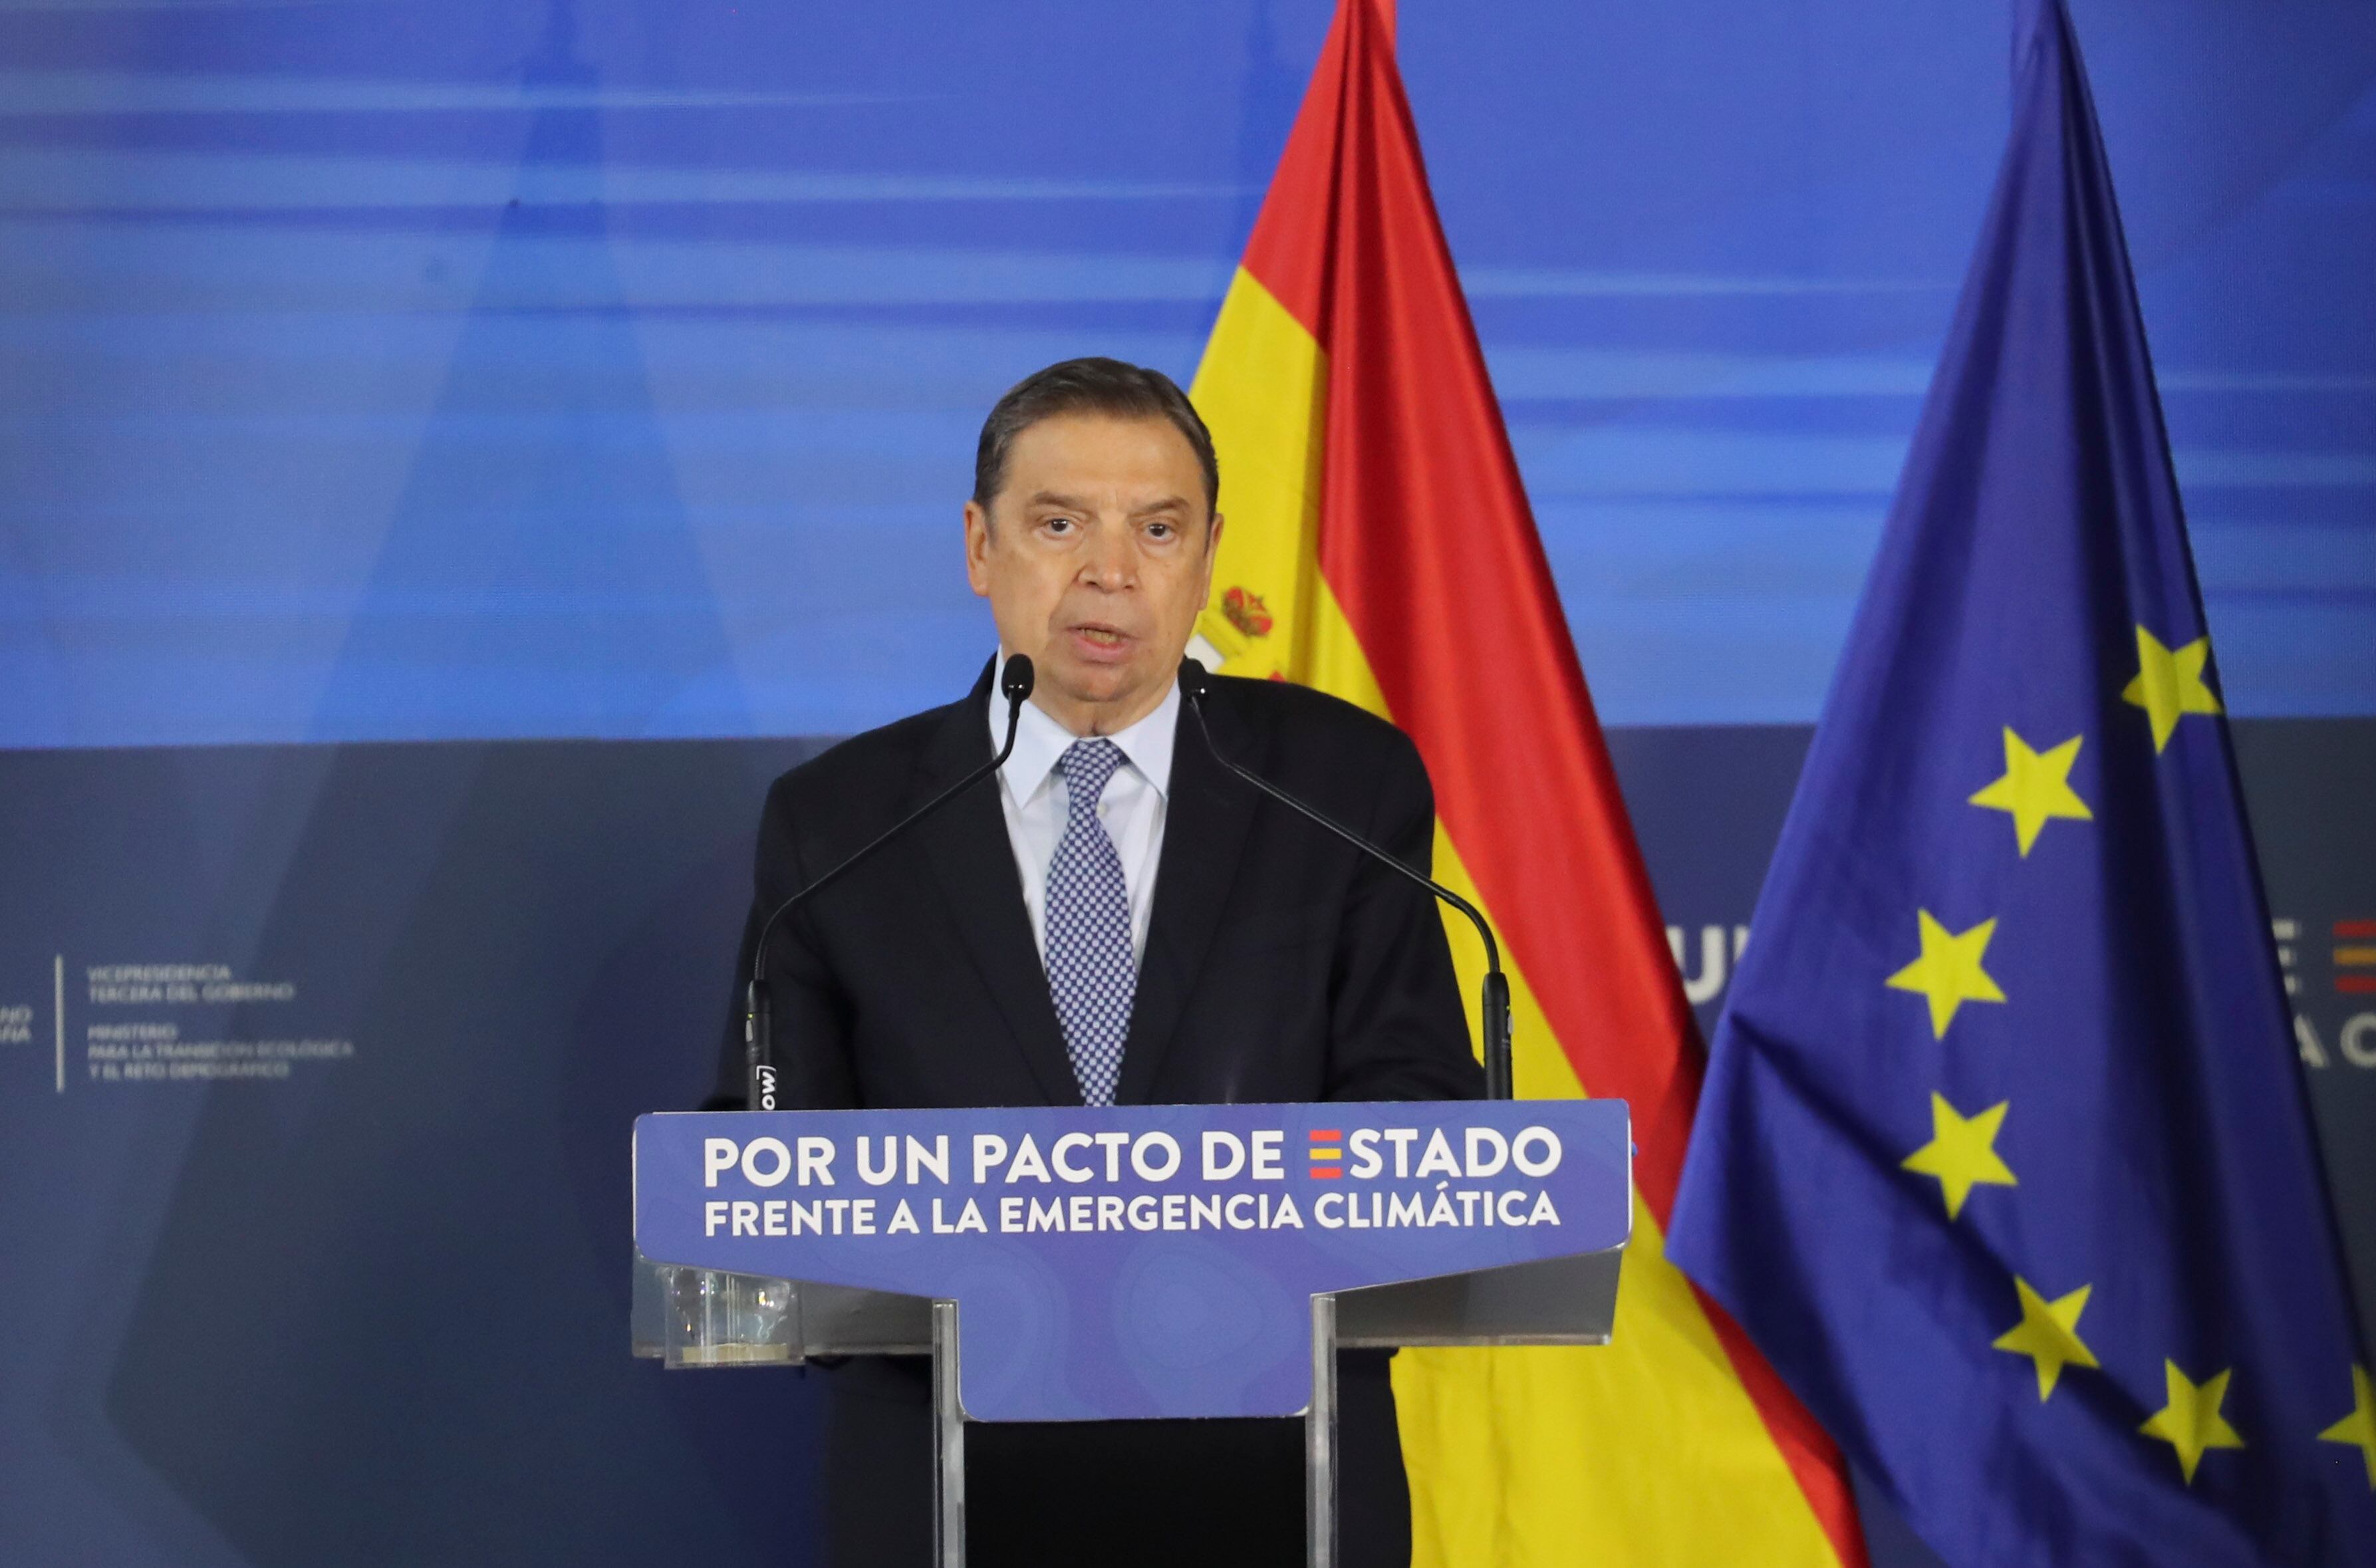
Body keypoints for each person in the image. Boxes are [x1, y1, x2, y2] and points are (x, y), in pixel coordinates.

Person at [716, 357, 1482, 1566]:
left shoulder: (1340, 785)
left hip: (1270, 1473)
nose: (1109, 572)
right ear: (980, 546)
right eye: (1058, 522)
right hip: (943, 1482)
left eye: (1158, 527)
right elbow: (765, 1171)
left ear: (1207, 552)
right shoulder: (838, 824)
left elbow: (1421, 1116)